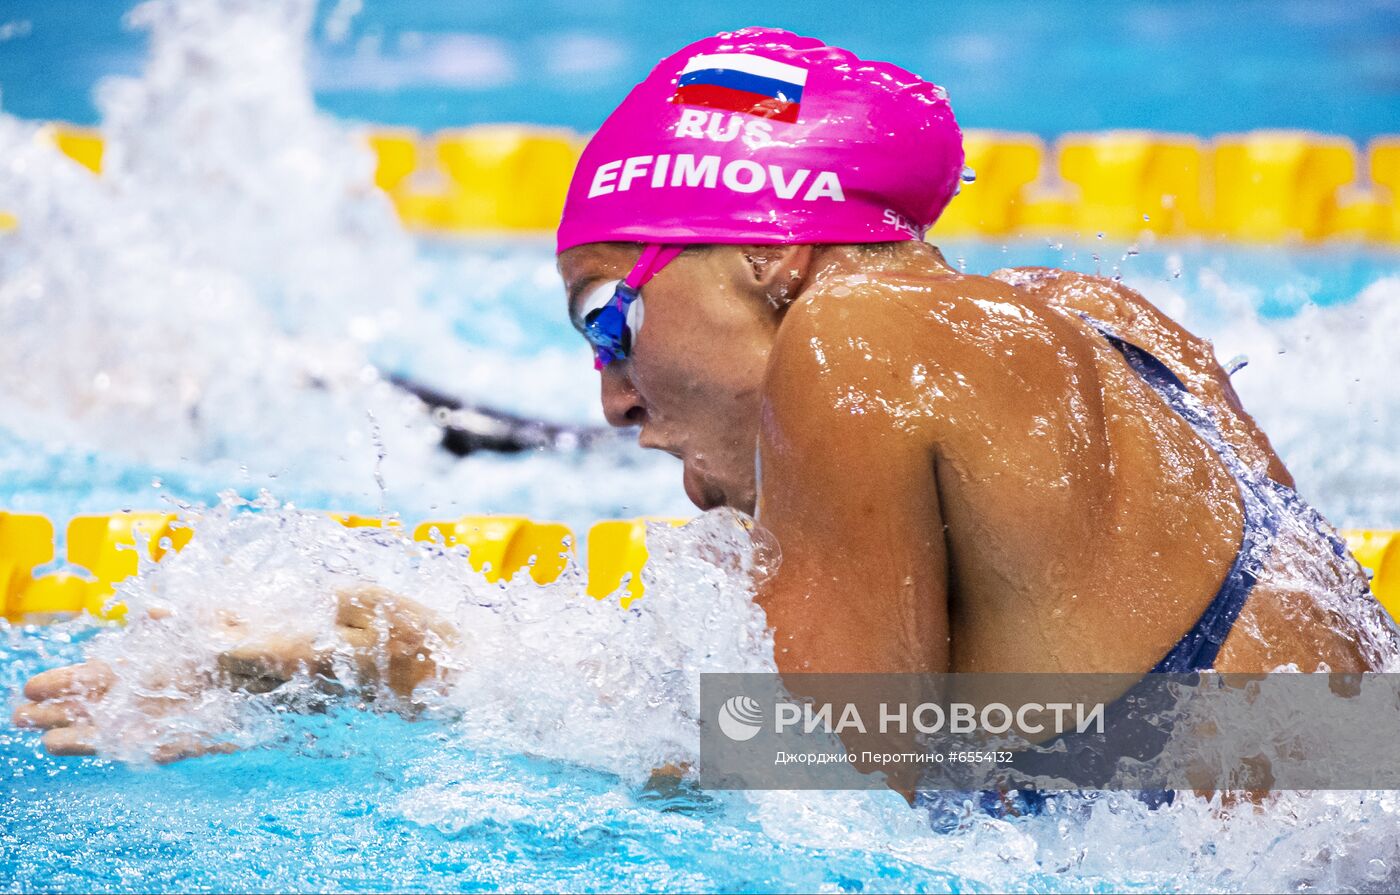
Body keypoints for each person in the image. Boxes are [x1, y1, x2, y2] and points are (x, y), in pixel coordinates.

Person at [15, 28, 1394, 763]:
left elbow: (843, 798)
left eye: (608, 318)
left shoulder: (853, 346)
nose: (609, 398)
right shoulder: (1100, 319)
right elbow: (1339, 722)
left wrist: (388, 658)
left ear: (773, 252)